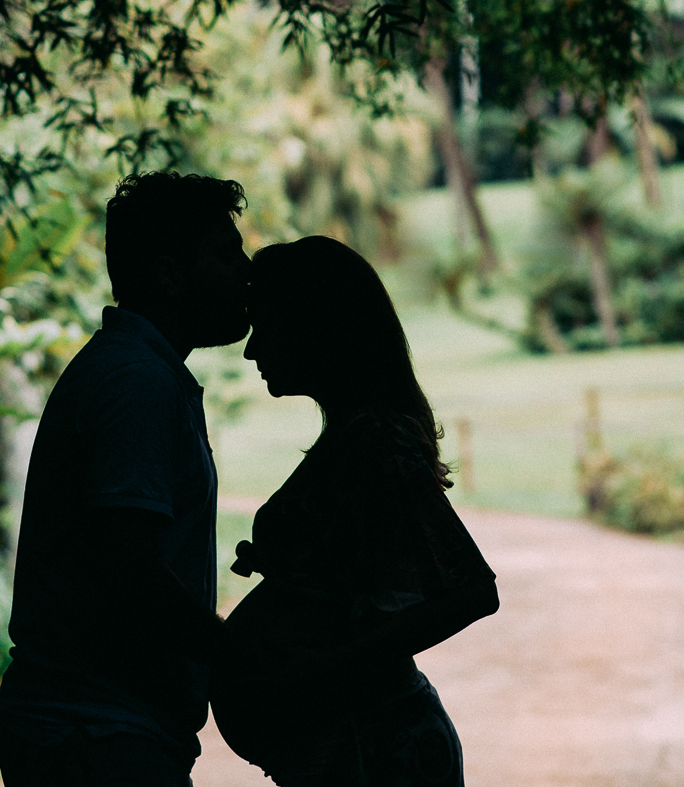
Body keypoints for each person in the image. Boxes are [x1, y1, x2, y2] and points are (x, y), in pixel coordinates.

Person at [0, 172, 252, 786]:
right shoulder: (138, 382)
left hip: (98, 730)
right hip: (98, 738)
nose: (245, 270)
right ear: (167, 273)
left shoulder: (132, 370)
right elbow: (126, 563)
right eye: (224, 253)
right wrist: (238, 655)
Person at [213, 236, 498, 787]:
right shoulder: (353, 439)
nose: (251, 351)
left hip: (381, 751)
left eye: (264, 325)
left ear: (314, 326)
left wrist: (327, 670)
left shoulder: (376, 442)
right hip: (352, 747)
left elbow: (471, 591)